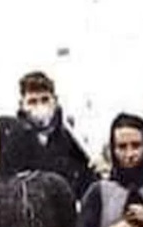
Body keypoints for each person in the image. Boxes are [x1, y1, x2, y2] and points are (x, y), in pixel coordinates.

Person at [15, 71, 95, 201]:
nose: (40, 107)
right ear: (22, 105)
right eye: (32, 102)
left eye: (45, 99)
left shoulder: (73, 140)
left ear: (55, 101)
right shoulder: (13, 143)